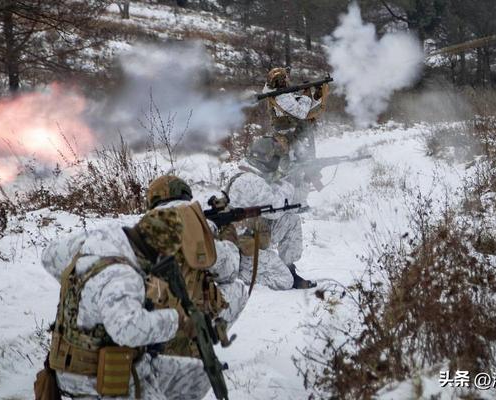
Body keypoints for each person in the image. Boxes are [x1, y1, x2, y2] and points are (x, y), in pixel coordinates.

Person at [36, 175, 247, 400]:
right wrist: (179, 321)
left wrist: (87, 292)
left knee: (198, 376)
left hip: (121, 356)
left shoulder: (106, 237)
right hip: (95, 376)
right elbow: (127, 330)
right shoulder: (124, 274)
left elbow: (50, 257)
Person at [226, 136, 317, 290]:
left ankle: (288, 268)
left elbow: (289, 205)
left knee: (291, 220)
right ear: (267, 159)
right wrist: (288, 182)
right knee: (284, 281)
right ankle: (240, 273)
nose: (278, 163)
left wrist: (303, 181)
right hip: (242, 251)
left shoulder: (254, 174)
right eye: (277, 159)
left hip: (255, 235)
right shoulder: (250, 181)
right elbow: (275, 208)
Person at [264, 67, 329, 167]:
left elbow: (300, 106)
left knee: (306, 168)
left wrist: (316, 95)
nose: (287, 80)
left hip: (294, 135)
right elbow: (301, 113)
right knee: (302, 167)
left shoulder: (284, 95)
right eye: (285, 78)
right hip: (289, 138)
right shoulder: (281, 97)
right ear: (281, 81)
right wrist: (307, 93)